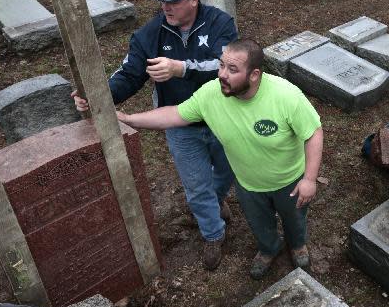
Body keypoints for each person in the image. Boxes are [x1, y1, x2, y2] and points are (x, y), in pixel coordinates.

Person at [73, 0, 238, 271]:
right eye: (162, 0)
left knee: (228, 170)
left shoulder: (220, 22)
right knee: (195, 184)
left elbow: (225, 66)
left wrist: (181, 68)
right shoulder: (149, 34)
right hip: (177, 121)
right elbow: (129, 74)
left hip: (222, 117)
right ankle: (213, 233)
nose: (166, 7)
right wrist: (98, 96)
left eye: (174, 1)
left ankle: (215, 201)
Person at [117, 39, 324, 280]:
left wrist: (309, 179)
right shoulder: (211, 94)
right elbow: (174, 114)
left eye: (232, 70)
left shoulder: (286, 95)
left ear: (254, 74)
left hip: (290, 181)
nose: (222, 75)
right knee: (259, 223)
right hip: (248, 185)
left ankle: (297, 245)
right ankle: (269, 248)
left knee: (294, 219)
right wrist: (130, 119)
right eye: (221, 65)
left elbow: (313, 133)